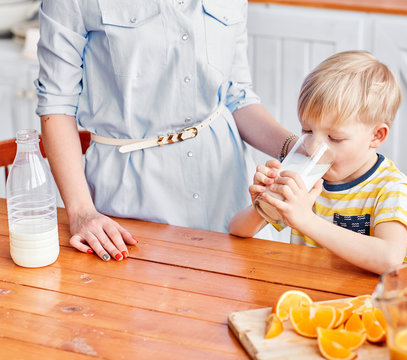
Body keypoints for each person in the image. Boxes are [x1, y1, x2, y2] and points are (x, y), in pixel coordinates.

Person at [35, 0, 295, 261]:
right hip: (133, 197)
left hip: (228, 188)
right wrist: (81, 212)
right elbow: (56, 105)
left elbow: (236, 94)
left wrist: (295, 148)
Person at [229, 51, 407, 275]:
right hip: (308, 303)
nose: (313, 148)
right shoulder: (307, 180)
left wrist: (306, 220)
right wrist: (261, 205)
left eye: (335, 138)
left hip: (367, 306)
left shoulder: (391, 188)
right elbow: (237, 230)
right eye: (308, 131)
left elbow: (389, 259)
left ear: (376, 135)